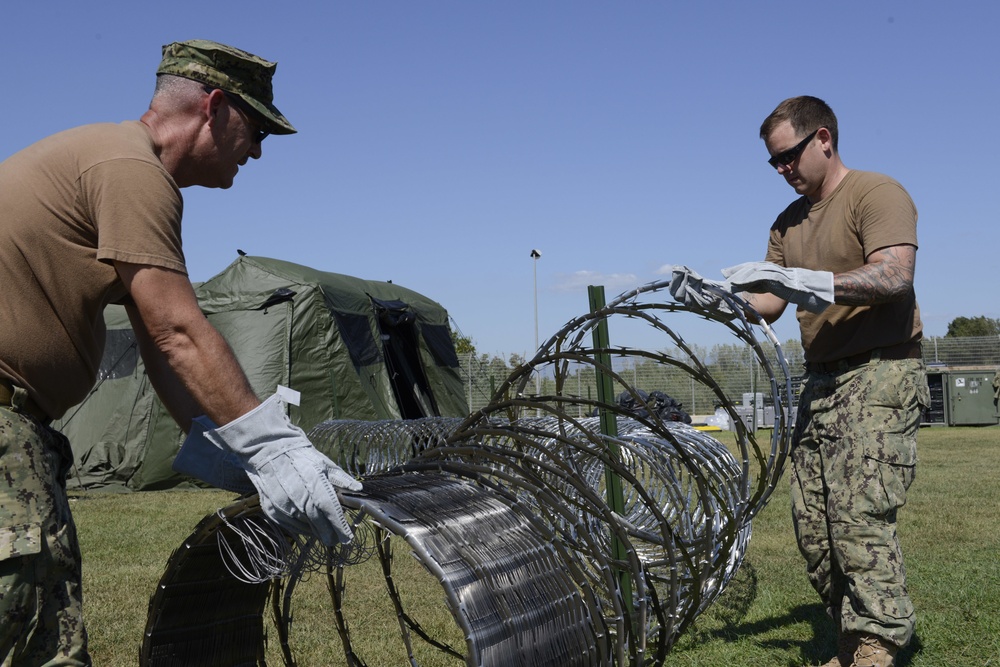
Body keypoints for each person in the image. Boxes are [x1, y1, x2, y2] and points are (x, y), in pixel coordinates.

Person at [0, 40, 360, 665]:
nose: (257, 151)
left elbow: (161, 350)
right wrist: (276, 448)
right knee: (35, 646)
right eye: (256, 130)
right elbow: (179, 331)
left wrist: (216, 445)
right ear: (214, 107)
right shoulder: (132, 170)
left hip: (17, 424)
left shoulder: (109, 159)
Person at [723, 96, 929, 667]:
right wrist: (726, 300)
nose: (783, 170)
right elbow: (769, 300)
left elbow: (893, 275)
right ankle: (851, 638)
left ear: (823, 139)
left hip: (881, 367)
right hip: (822, 379)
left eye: (789, 156)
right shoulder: (786, 223)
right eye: (774, 163)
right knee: (814, 523)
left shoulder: (875, 193)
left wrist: (808, 282)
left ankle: (879, 644)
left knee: (859, 513)